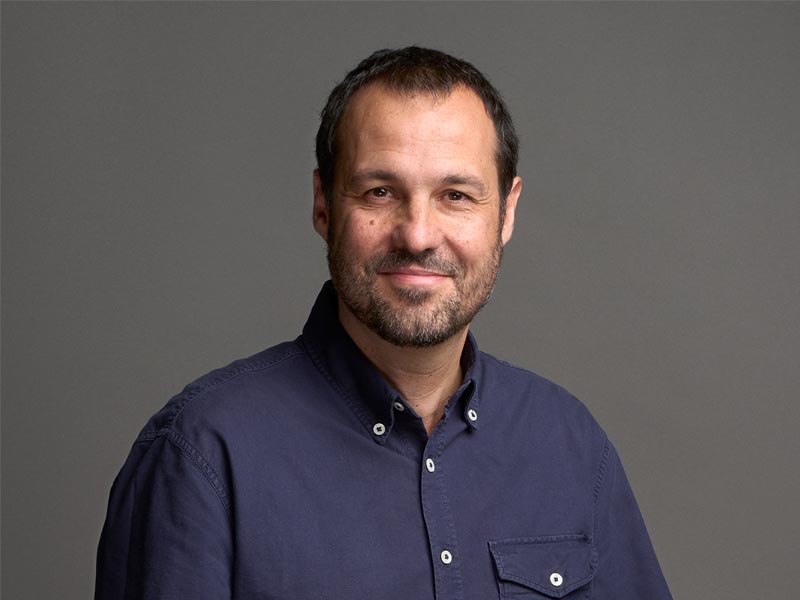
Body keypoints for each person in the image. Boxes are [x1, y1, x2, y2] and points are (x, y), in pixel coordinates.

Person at [96, 46, 672, 599]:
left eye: (455, 195)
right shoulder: (202, 454)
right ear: (324, 204)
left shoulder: (569, 445)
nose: (417, 235)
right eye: (380, 192)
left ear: (506, 212)